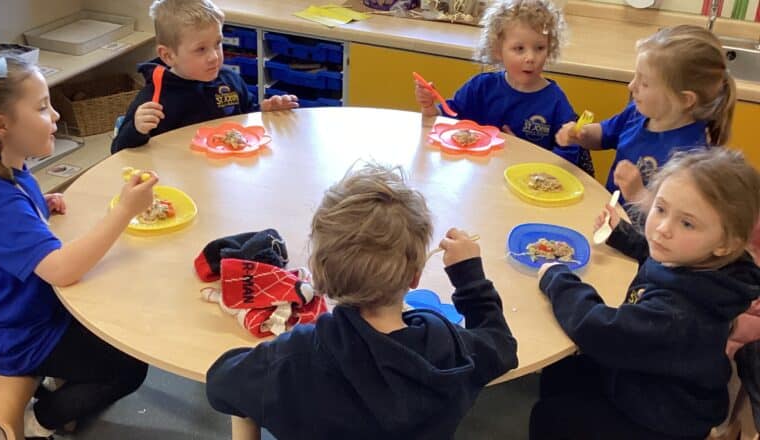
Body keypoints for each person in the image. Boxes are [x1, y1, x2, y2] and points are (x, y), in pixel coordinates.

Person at [206, 163, 518, 439]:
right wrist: (469, 277)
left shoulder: (294, 357)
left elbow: (220, 385)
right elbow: (501, 345)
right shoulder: (448, 347)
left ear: (318, 274)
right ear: (415, 276)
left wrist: (262, 356)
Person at [531, 148, 760, 439]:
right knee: (561, 372)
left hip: (661, 418)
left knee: (549, 418)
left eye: (687, 223)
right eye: (661, 209)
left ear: (725, 244)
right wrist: (621, 236)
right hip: (655, 377)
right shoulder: (706, 261)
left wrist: (557, 279)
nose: (663, 229)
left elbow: (598, 329)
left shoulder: (678, 313)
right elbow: (662, 263)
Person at [0, 52, 155, 437]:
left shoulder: (10, 165)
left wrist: (39, 209)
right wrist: (125, 211)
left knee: (120, 313)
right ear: (0, 124)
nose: (56, 117)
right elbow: (61, 270)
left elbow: (15, 229)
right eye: (43, 107)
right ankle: (42, 419)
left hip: (35, 310)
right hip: (19, 332)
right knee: (128, 364)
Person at [556, 25, 736, 204]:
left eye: (644, 83)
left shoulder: (693, 157)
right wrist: (581, 134)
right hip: (611, 221)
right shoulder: (637, 113)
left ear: (684, 100)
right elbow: (603, 134)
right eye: (636, 77)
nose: (631, 86)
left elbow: (681, 216)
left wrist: (639, 195)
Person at [415, 0, 594, 176]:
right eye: (519, 48)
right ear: (498, 50)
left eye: (540, 48)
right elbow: (446, 123)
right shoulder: (481, 87)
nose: (531, 57)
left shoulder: (555, 100)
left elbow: (569, 159)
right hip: (482, 182)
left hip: (529, 189)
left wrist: (522, 154)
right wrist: (429, 107)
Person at [111, 0, 298, 153]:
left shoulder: (229, 79)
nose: (214, 56)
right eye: (201, 49)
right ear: (168, 56)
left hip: (228, 172)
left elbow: (247, 117)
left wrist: (265, 111)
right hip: (183, 176)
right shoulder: (154, 97)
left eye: (218, 44)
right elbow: (118, 151)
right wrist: (136, 129)